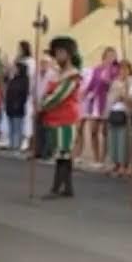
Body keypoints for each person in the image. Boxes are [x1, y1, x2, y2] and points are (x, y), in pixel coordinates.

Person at [40, 39, 83, 198]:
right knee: (61, 153)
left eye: (60, 53)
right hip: (56, 117)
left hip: (66, 117)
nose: (57, 56)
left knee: (63, 153)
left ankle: (57, 188)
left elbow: (59, 96)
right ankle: (67, 187)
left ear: (69, 54)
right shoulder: (59, 73)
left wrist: (42, 105)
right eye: (56, 53)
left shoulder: (72, 75)